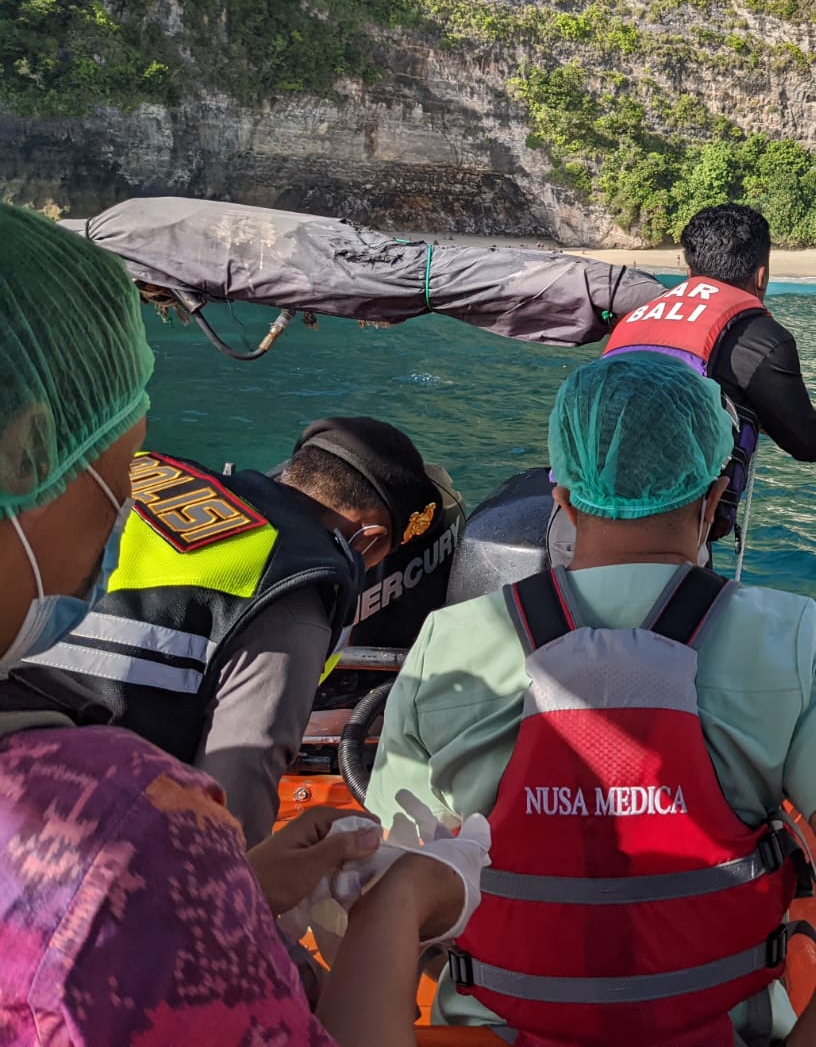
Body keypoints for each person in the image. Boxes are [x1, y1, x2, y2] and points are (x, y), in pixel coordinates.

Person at [0, 203, 481, 1046]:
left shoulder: (171, 480)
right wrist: (367, 920)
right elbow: (241, 791)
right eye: (111, 486)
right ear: (30, 454)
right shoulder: (294, 586)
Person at [369, 351, 816, 1047]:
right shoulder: (787, 643)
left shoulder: (448, 643)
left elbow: (388, 886)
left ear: (563, 501)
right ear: (713, 501)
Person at [16, 414, 441, 845]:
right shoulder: (292, 594)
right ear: (367, 540)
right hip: (69, 833)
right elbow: (233, 809)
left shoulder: (147, 476)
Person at [550, 203, 816, 564]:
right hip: (669, 537)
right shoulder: (763, 339)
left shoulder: (640, 315)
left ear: (688, 270)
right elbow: (809, 443)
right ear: (761, 276)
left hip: (577, 519)